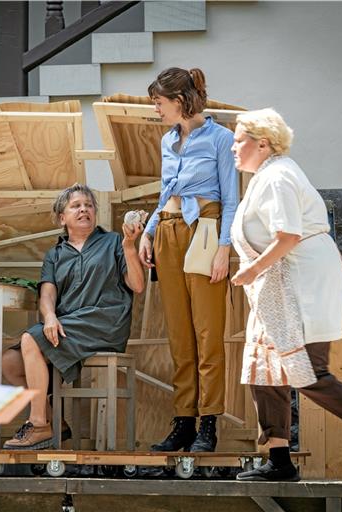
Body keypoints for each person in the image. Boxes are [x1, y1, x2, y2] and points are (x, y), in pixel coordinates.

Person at [229, 108, 342, 481]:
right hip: (279, 287)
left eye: (238, 140)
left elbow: (289, 235)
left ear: (263, 143)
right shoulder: (267, 175)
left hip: (299, 283)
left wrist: (252, 269)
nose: (232, 147)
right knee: (264, 370)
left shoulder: (278, 176)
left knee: (306, 369)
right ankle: (279, 460)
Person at [138, 67, 238, 453]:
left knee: (208, 334)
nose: (156, 110)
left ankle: (208, 424)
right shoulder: (167, 141)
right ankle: (183, 422)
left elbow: (231, 199)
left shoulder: (220, 139)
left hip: (205, 233)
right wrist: (149, 232)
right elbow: (165, 195)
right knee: (179, 336)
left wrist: (224, 249)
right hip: (167, 232)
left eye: (159, 103)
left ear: (179, 101)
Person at [1, 183, 145, 449]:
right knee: (10, 361)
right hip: (70, 325)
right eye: (76, 206)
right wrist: (50, 317)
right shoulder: (55, 255)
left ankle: (39, 425)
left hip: (105, 321)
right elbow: (47, 296)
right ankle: (55, 420)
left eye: (89, 205)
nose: (84, 210)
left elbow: (137, 285)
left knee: (29, 340)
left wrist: (129, 246)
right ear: (61, 217)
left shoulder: (112, 241)